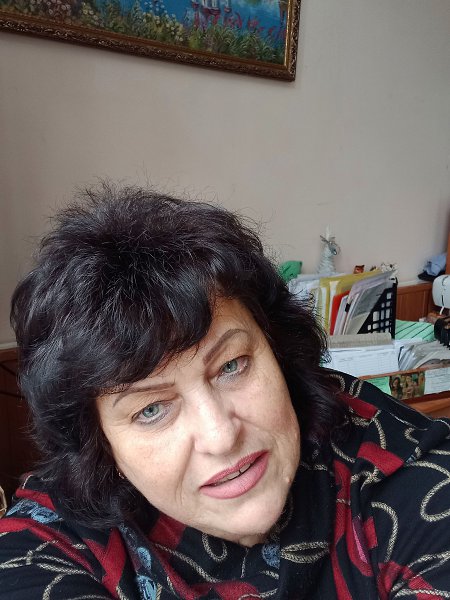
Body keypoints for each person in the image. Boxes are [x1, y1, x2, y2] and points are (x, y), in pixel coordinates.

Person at [1, 183, 450, 599]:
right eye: (151, 409)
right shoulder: (55, 536)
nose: (221, 436)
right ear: (99, 442)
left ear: (277, 350)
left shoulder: (409, 473)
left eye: (231, 366)